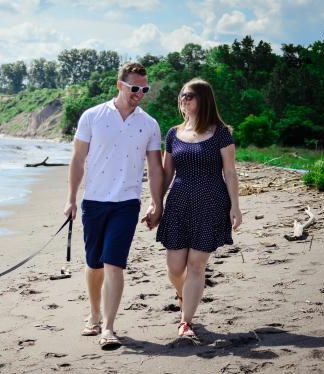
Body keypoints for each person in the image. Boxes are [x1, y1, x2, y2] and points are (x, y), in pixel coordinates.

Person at [64, 62, 164, 350]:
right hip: (94, 200)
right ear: (119, 85)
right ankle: (94, 315)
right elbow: (78, 159)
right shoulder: (92, 116)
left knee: (114, 264)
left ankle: (108, 327)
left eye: (144, 89)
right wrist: (71, 199)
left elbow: (155, 168)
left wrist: (157, 203)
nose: (140, 93)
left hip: (127, 203)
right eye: (135, 88)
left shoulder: (149, 124)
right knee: (94, 264)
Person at [144, 78, 242, 338]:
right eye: (182, 95)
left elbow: (230, 173)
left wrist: (236, 207)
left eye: (189, 95)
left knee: (197, 265)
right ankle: (184, 294)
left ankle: (185, 321)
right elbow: (165, 174)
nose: (183, 99)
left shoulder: (220, 133)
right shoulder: (173, 134)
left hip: (211, 202)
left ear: (203, 99)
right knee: (175, 267)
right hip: (178, 203)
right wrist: (156, 204)